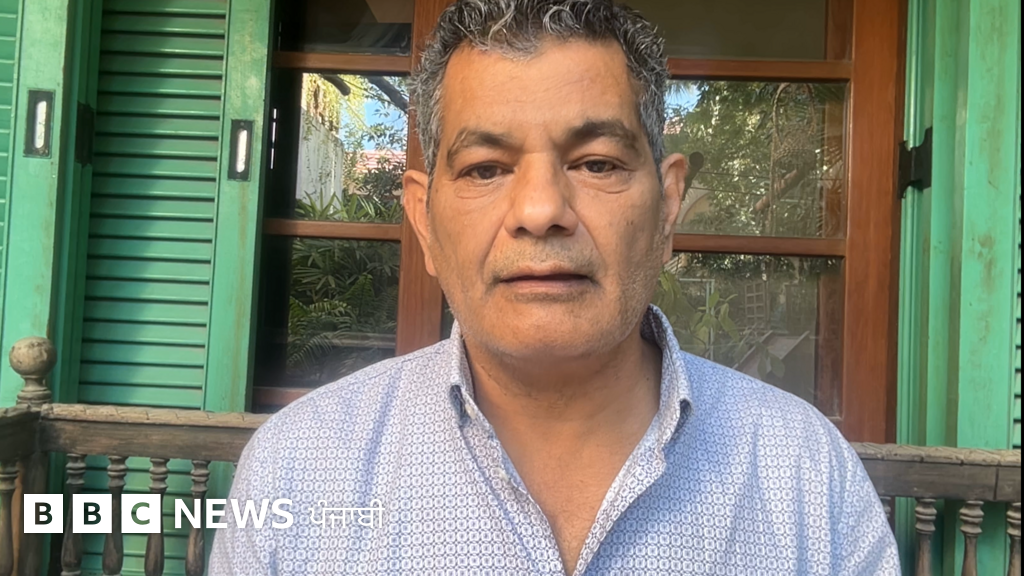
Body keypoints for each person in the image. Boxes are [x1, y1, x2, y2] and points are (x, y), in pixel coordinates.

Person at [209, 1, 899, 574]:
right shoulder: (298, 470)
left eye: (596, 163)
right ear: (423, 220)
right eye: (485, 169)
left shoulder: (806, 476)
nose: (540, 211)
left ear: (667, 207)